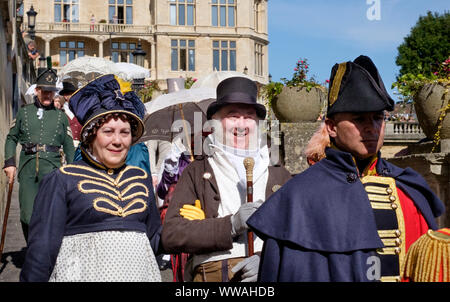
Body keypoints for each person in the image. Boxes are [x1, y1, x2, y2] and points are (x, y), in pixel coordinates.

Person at [247, 55, 445, 282]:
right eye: (359, 119)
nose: (372, 128)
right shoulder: (299, 196)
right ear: (331, 127)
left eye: (378, 118)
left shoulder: (409, 189)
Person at [20, 74, 162, 282]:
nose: (117, 140)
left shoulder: (140, 178)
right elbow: (42, 250)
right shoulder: (62, 180)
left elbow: (155, 239)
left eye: (125, 132)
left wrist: (190, 229)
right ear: (91, 135)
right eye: (108, 131)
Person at [161, 76, 292, 282]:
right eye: (232, 116)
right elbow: (172, 235)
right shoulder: (197, 172)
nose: (241, 124)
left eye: (249, 116)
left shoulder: (279, 174)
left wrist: (269, 261)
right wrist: (229, 225)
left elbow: (297, 235)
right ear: (216, 122)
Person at [3, 68, 75, 241]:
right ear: (37, 90)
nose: (47, 95)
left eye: (51, 91)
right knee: (27, 215)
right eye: (44, 91)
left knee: (51, 213)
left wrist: (72, 171)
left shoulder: (61, 117)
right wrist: (10, 162)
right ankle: (32, 247)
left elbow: (69, 146)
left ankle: (44, 252)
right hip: (27, 170)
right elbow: (11, 138)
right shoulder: (24, 112)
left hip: (52, 170)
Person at [58, 80, 82, 147]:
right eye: (72, 94)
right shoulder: (59, 113)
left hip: (79, 150)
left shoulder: (81, 112)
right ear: (65, 96)